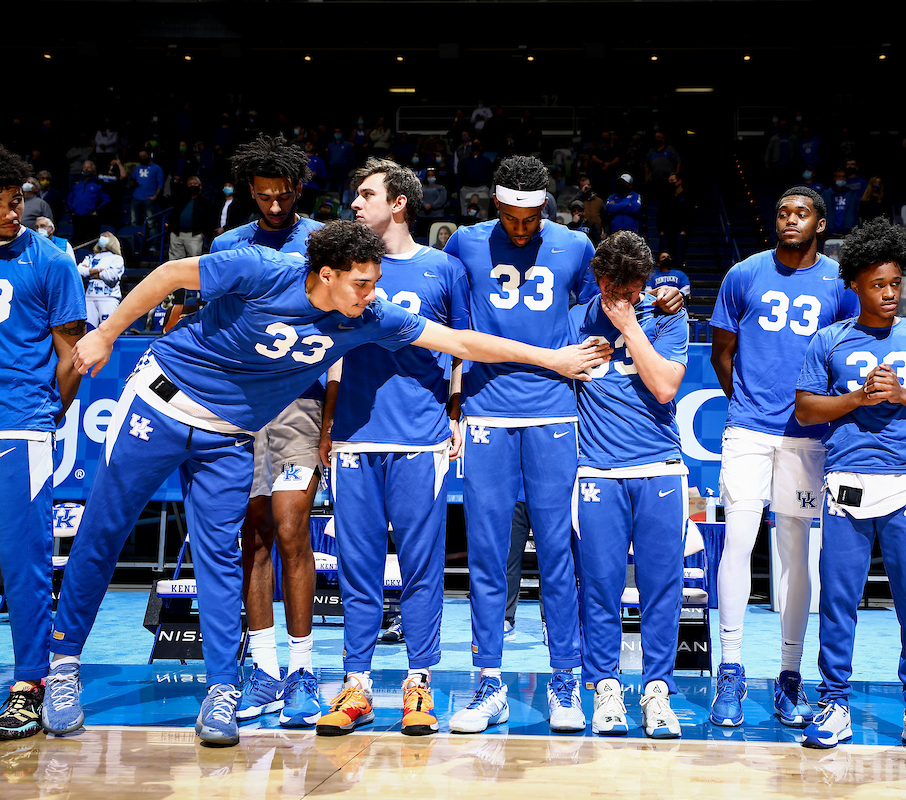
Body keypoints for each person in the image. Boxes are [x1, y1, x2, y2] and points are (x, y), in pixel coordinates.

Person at [39, 220, 611, 747]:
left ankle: (220, 691)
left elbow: (460, 344)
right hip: (161, 402)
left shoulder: (370, 316)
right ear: (327, 274)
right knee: (103, 533)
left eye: (376, 282)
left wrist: (552, 359)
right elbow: (168, 274)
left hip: (230, 432)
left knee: (220, 555)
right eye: (361, 283)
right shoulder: (263, 269)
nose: (372, 294)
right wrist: (109, 332)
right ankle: (61, 668)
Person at [441, 156, 681, 735]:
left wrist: (662, 300)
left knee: (557, 555)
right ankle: (488, 684)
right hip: (485, 411)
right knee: (487, 555)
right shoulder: (463, 246)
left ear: (545, 206)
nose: (521, 229)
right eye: (510, 217)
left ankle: (567, 685)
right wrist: (452, 401)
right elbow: (454, 331)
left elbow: (606, 304)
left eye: (531, 218)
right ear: (493, 205)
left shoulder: (574, 246)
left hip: (554, 413)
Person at [794, 216, 906, 754]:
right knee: (838, 603)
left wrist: (902, 396)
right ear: (855, 287)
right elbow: (805, 409)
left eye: (895, 283)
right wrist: (857, 399)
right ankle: (834, 704)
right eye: (877, 285)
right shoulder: (829, 339)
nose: (889, 294)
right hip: (846, 482)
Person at [315, 159, 466, 737]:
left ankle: (418, 684)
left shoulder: (444, 269)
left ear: (399, 201)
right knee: (357, 569)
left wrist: (457, 412)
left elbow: (461, 349)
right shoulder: (345, 272)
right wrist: (329, 423)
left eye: (367, 194)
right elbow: (333, 354)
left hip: (421, 439)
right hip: (353, 436)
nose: (356, 202)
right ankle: (356, 687)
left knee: (422, 569)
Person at [708, 186, 858, 728]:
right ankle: (730, 671)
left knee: (797, 554)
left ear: (820, 223)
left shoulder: (840, 282)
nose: (789, 219)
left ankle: (789, 675)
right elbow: (722, 351)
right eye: (782, 212)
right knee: (737, 545)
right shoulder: (744, 274)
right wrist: (747, 403)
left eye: (801, 213)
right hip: (748, 431)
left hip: (807, 437)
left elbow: (849, 353)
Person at [209, 134, 326, 729]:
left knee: (290, 527)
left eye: (282, 197)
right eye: (263, 198)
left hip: (302, 405)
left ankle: (304, 673)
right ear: (247, 194)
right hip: (240, 407)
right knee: (252, 534)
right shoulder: (230, 244)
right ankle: (263, 670)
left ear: (298, 191)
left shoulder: (321, 242)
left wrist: (329, 423)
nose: (274, 208)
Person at [572, 231, 689, 738]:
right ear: (599, 278)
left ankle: (658, 692)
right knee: (599, 589)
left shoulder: (667, 315)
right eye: (615, 288)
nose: (625, 297)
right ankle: (605, 689)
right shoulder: (573, 319)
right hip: (596, 471)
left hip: (661, 469)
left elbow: (665, 386)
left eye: (635, 289)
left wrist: (629, 326)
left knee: (662, 590)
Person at [0, 144, 86, 741]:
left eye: (17, 202)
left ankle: (29, 683)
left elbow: (73, 358)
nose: (15, 213)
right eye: (5, 204)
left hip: (19, 426)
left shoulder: (50, 261)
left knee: (22, 562)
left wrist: (43, 415)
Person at [77, 233, 125, 330]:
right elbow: (79, 271)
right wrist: (101, 270)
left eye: (106, 237)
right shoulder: (90, 257)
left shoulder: (117, 258)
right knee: (88, 330)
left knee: (108, 329)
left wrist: (90, 271)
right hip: (90, 297)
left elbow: (111, 276)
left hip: (108, 297)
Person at [167, 175, 215, 260]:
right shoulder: (181, 199)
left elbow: (210, 219)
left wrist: (203, 233)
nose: (192, 186)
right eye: (190, 184)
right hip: (177, 234)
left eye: (195, 184)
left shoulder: (205, 202)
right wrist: (172, 230)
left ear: (200, 186)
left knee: (193, 261)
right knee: (175, 262)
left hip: (195, 235)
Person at [821, 170, 860, 238]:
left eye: (843, 177)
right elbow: (820, 212)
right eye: (839, 176)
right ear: (834, 178)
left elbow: (856, 213)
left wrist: (855, 229)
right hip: (830, 231)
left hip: (848, 232)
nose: (841, 179)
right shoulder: (826, 194)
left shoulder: (851, 194)